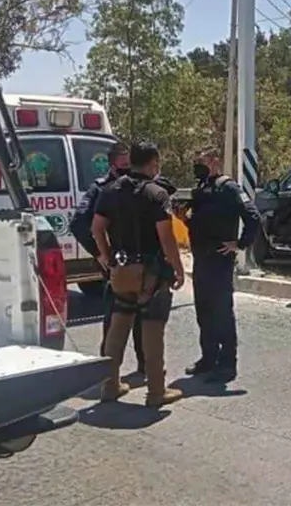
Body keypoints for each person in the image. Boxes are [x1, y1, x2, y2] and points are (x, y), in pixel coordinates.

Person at [91, 142, 186, 406]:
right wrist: (178, 269)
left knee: (118, 328)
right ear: (153, 163)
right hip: (150, 274)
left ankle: (110, 386)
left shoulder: (110, 190)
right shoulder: (157, 194)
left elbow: (97, 228)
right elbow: (166, 238)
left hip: (120, 272)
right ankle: (156, 392)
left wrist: (108, 257)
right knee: (153, 331)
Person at [184, 145, 261, 383]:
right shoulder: (201, 189)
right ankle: (208, 358)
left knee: (221, 312)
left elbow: (253, 217)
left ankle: (227, 364)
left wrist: (240, 244)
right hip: (201, 259)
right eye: (197, 160)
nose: (199, 165)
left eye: (203, 160)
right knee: (203, 310)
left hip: (219, 259)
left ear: (216, 162)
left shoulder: (229, 188)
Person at [69, 143, 147, 374]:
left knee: (144, 317)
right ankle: (108, 372)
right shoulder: (101, 189)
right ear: (112, 165)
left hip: (141, 260)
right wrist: (100, 253)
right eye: (123, 166)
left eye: (130, 165)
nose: (127, 170)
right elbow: (79, 223)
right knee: (115, 317)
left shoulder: (141, 186)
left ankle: (146, 365)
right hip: (116, 262)